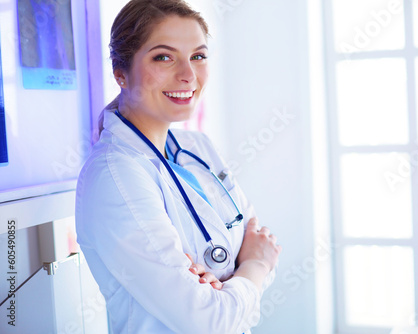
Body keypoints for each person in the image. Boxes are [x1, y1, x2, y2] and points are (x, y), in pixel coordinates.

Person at [75, 0, 282, 333]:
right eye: (164, 57)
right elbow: (210, 321)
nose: (188, 75)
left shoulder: (197, 147)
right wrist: (252, 266)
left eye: (198, 56)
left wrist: (232, 285)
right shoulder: (116, 176)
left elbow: (262, 244)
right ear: (120, 72)